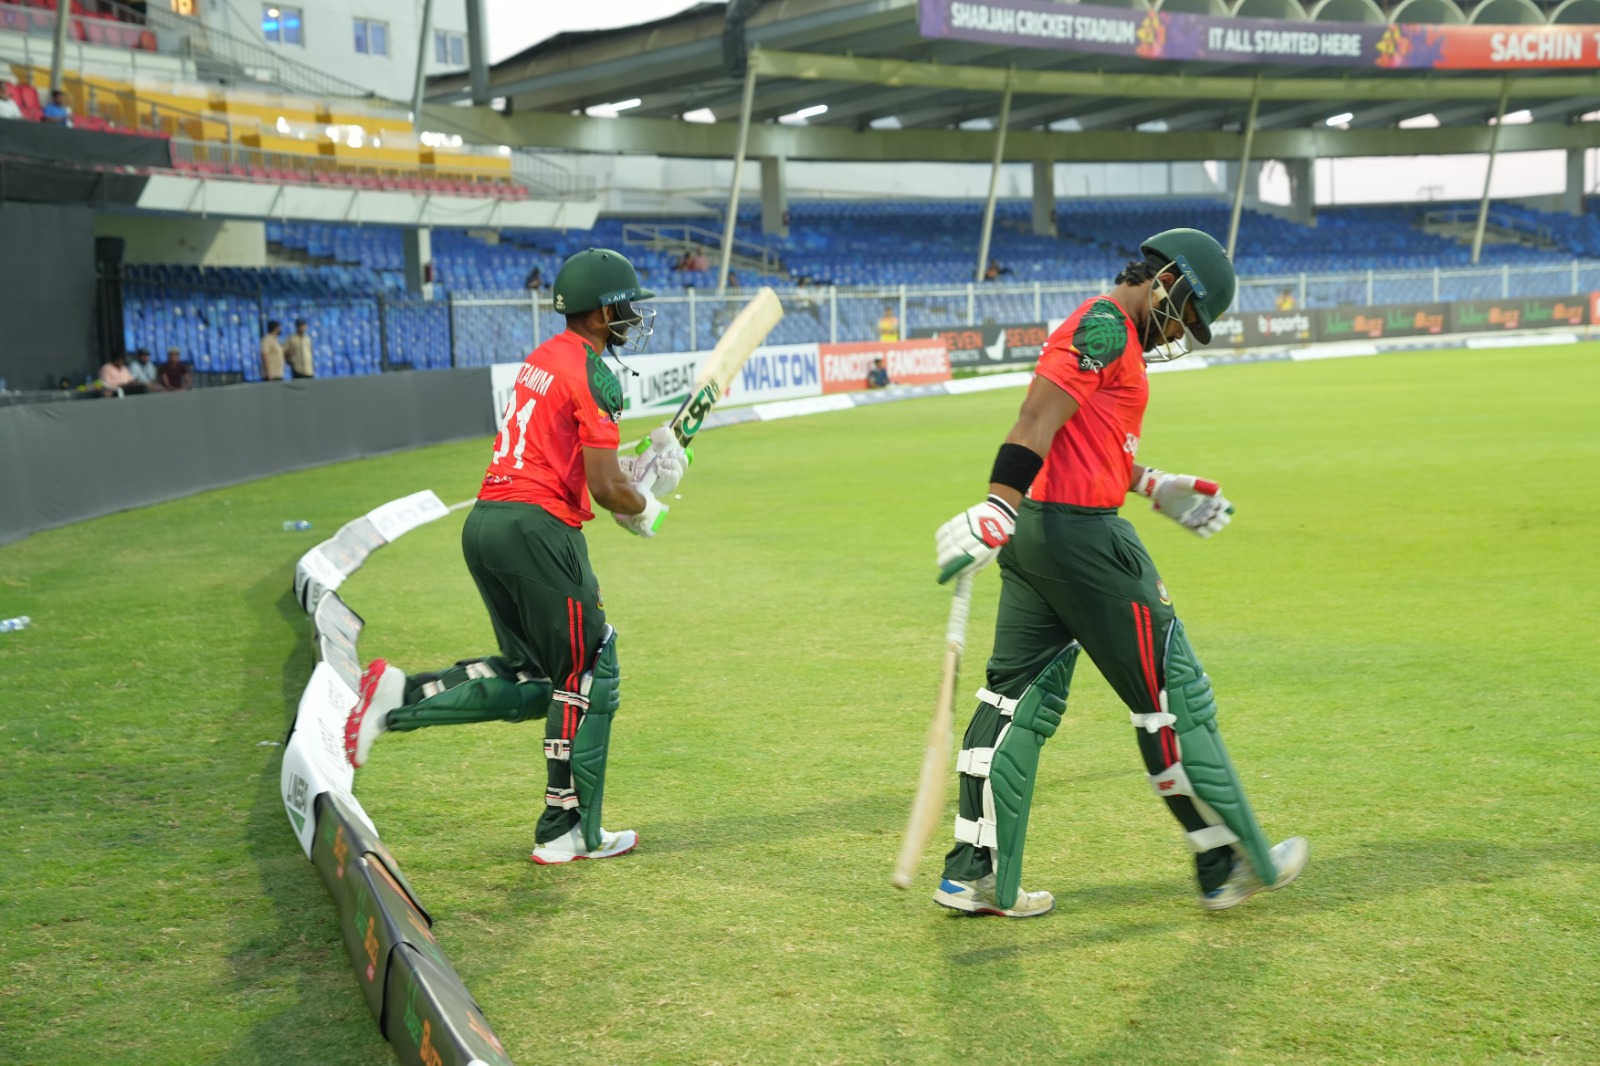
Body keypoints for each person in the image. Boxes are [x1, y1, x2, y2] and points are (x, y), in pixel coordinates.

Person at [932, 228, 1307, 918]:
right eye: (1187, 315)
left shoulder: (1116, 337)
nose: (1180, 333)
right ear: (1166, 282)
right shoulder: (1104, 328)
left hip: (1039, 539)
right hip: (1082, 540)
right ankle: (1235, 862)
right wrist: (996, 502)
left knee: (1014, 706)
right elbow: (1035, 418)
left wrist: (1149, 482)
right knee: (1174, 701)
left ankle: (975, 876)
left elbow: (1085, 437)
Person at [343, 248, 688, 865]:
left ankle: (399, 696)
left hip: (487, 524)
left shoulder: (544, 359)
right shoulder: (597, 374)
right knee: (589, 672)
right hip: (538, 531)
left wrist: (640, 467)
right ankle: (567, 830)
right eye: (625, 307)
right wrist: (648, 506)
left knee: (539, 678)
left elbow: (566, 457)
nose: (632, 318)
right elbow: (607, 491)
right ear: (601, 311)